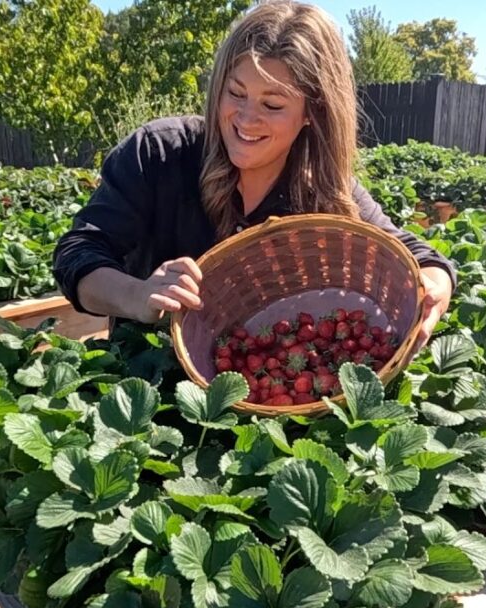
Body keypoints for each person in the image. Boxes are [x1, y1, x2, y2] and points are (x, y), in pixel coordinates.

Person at [52, 0, 455, 351]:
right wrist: (138, 296)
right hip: (149, 389)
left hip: (271, 402)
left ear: (312, 113)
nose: (246, 119)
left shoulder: (321, 189)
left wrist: (434, 287)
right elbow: (78, 255)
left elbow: (417, 255)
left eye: (273, 104)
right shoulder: (160, 153)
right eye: (236, 93)